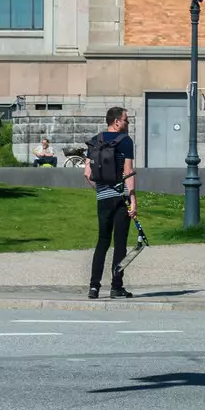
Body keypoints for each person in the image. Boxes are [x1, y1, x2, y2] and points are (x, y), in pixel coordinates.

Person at [83, 106, 136, 300]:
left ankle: (94, 287)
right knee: (120, 243)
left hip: (103, 198)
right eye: (126, 120)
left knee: (102, 241)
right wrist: (133, 201)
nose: (127, 123)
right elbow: (128, 172)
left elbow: (87, 174)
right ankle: (116, 287)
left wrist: (99, 190)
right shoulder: (126, 141)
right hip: (121, 197)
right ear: (116, 122)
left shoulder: (95, 141)